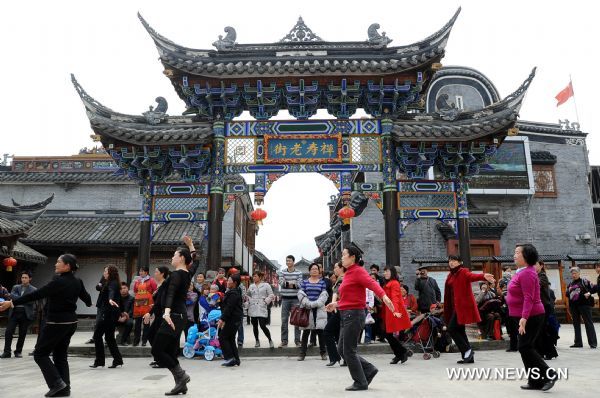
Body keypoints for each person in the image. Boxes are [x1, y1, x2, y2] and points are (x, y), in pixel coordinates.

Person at [0, 254, 92, 397]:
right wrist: (89, 302)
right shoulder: (77, 281)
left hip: (57, 322)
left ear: (67, 266)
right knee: (60, 355)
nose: (55, 264)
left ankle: (57, 383)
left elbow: (36, 294)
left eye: (58, 262)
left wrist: (11, 302)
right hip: (71, 322)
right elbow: (87, 299)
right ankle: (65, 388)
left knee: (40, 353)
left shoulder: (58, 282)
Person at [325, 246, 396, 391]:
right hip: (346, 314)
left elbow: (373, 284)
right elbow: (351, 297)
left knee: (348, 351)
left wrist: (384, 297)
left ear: (352, 257)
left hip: (354, 315)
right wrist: (336, 303)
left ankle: (360, 382)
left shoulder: (358, 271)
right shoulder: (349, 273)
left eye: (344, 255)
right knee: (342, 350)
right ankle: (368, 370)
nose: (342, 257)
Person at [507, 244, 557, 391]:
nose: (514, 255)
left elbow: (529, 298)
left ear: (526, 256)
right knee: (525, 347)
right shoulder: (520, 271)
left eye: (517, 253)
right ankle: (535, 381)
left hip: (531, 315)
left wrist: (524, 318)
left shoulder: (528, 273)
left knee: (524, 347)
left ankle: (550, 374)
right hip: (522, 315)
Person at [151, 247, 193, 395]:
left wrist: (167, 312)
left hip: (173, 316)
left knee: (157, 350)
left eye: (174, 255)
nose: (172, 257)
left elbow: (171, 293)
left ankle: (181, 376)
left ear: (181, 258)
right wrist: (191, 246)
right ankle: (181, 383)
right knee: (168, 351)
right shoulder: (187, 273)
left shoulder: (176, 274)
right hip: (178, 316)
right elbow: (194, 262)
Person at [443, 255, 495, 364]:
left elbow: (472, 276)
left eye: (454, 260)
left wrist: (483, 276)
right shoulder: (450, 275)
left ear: (460, 262)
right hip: (454, 307)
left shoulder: (463, 272)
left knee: (452, 329)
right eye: (450, 261)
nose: (451, 263)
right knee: (460, 330)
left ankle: (467, 350)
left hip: (462, 307)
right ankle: (468, 356)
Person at [91, 265, 123, 369]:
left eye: (105, 271)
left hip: (108, 313)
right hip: (110, 313)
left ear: (110, 273)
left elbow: (111, 292)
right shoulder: (109, 282)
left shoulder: (112, 283)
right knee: (109, 338)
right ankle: (117, 359)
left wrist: (110, 299)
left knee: (97, 336)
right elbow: (99, 287)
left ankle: (100, 361)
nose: (103, 273)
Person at [2, 270, 37, 358]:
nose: (23, 279)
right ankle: (7, 352)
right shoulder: (15, 287)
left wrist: (19, 299)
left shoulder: (34, 289)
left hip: (25, 313)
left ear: (30, 279)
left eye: (26, 278)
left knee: (22, 333)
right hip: (14, 312)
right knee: (8, 331)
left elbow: (31, 301)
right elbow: (11, 296)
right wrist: (24, 299)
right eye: (22, 277)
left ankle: (18, 351)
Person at [297, 263, 328, 361]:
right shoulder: (304, 282)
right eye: (312, 269)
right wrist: (308, 304)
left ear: (319, 271)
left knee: (320, 332)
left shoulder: (322, 282)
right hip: (307, 309)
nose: (314, 270)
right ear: (309, 271)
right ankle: (302, 354)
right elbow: (301, 294)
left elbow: (324, 295)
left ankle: (323, 353)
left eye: (316, 269)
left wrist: (316, 304)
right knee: (306, 332)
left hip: (318, 309)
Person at [381, 265, 411, 364]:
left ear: (392, 273)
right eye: (384, 271)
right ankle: (400, 354)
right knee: (387, 334)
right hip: (388, 311)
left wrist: (395, 311)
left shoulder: (394, 283)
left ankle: (401, 352)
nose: (385, 273)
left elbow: (395, 298)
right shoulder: (388, 283)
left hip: (392, 311)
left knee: (387, 334)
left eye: (387, 271)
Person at [144, 266, 171, 369]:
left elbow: (160, 301)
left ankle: (162, 359)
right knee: (151, 335)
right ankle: (159, 358)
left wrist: (149, 313)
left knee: (154, 336)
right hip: (158, 315)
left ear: (162, 273)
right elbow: (158, 302)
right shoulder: (159, 285)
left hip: (163, 316)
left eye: (156, 272)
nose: (154, 273)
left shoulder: (164, 285)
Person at [567, 267, 597, 348]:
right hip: (574, 307)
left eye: (575, 273)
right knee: (576, 324)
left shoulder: (585, 281)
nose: (574, 275)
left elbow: (595, 288)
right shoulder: (570, 284)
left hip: (584, 305)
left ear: (579, 273)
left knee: (588, 323)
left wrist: (589, 293)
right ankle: (578, 343)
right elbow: (568, 295)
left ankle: (593, 343)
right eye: (572, 273)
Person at [534, 261, 559, 360]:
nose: (534, 266)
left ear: (541, 266)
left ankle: (548, 353)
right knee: (541, 330)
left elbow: (537, 285)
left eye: (536, 264)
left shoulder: (542, 276)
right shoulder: (537, 275)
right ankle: (544, 352)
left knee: (543, 330)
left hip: (544, 307)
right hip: (539, 307)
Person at [218, 272, 243, 367]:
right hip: (235, 319)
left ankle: (230, 358)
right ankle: (236, 359)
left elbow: (229, 307)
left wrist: (222, 319)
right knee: (230, 338)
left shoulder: (234, 293)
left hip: (233, 319)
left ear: (235, 283)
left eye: (229, 280)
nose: (227, 282)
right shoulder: (233, 292)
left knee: (222, 337)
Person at [277, 255, 303, 347]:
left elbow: (299, 284)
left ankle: (297, 340)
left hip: (296, 299)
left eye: (289, 261)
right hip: (285, 299)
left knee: (297, 320)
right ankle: (284, 340)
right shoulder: (282, 272)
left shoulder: (299, 272)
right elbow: (281, 283)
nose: (288, 262)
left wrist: (287, 283)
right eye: (286, 261)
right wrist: (293, 283)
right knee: (284, 320)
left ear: (293, 262)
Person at [246, 271, 275, 348]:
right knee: (254, 325)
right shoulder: (251, 286)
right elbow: (247, 295)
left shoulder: (266, 285)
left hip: (261, 307)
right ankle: (257, 341)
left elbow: (271, 295)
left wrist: (265, 301)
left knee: (262, 325)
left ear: (260, 277)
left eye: (255, 276)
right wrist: (249, 300)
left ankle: (270, 340)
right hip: (253, 307)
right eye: (253, 276)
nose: (254, 278)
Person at [324, 261, 344, 366]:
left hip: (340, 310)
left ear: (341, 268)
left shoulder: (342, 279)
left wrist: (333, 304)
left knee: (327, 332)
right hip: (339, 309)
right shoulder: (339, 279)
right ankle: (341, 357)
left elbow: (336, 293)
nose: (334, 269)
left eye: (336, 267)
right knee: (337, 334)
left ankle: (335, 357)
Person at [131, 266, 157, 347]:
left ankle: (144, 340)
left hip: (147, 303)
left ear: (146, 272)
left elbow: (155, 290)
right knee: (137, 323)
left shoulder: (151, 280)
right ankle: (136, 340)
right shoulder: (137, 281)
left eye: (142, 271)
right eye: (140, 271)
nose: (140, 273)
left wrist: (151, 297)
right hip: (138, 303)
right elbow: (135, 290)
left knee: (146, 323)